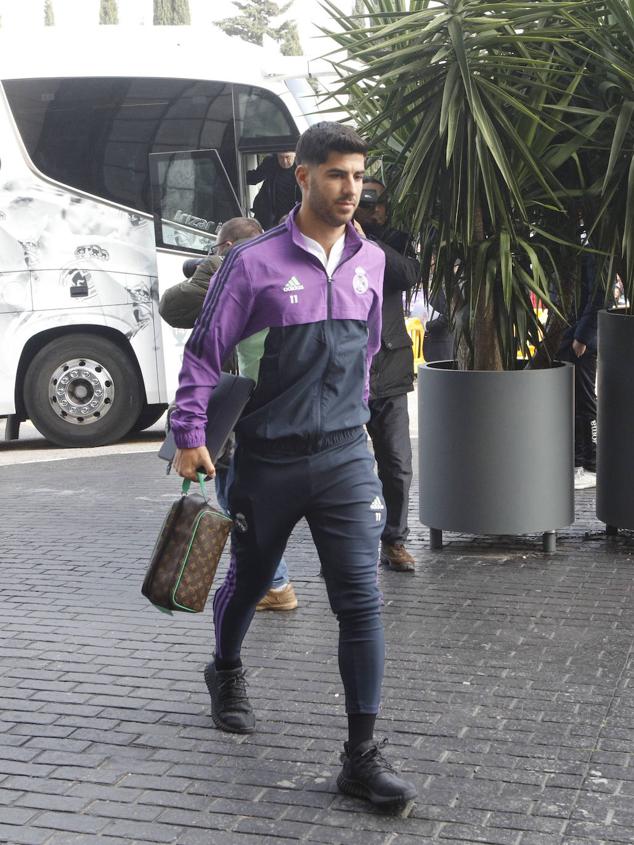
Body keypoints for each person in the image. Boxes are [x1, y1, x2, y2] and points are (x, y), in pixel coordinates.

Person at [169, 122, 417, 809]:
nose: (350, 189)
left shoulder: (371, 262)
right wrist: (191, 433)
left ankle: (360, 756)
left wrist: (356, 424)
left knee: (360, 603)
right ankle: (225, 669)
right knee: (249, 580)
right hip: (268, 461)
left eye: (359, 176)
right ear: (303, 176)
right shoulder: (253, 263)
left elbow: (365, 355)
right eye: (337, 174)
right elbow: (203, 351)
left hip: (342, 460)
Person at [159, 216, 298, 611]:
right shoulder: (281, 271)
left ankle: (273, 583)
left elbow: (174, 305)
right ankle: (270, 581)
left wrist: (214, 265)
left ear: (225, 247)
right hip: (273, 407)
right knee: (249, 499)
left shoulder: (230, 276)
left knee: (236, 498)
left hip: (237, 413)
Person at [354, 179, 420, 572]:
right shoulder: (331, 239)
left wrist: (368, 243)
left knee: (396, 464)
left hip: (390, 369)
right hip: (345, 374)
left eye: (382, 205)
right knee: (345, 468)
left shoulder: (395, 239)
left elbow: (408, 274)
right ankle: (349, 546)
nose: (379, 212)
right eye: (370, 205)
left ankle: (394, 540)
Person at [558, 254, 602, 490]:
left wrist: (582, 337)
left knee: (585, 402)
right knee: (573, 403)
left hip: (580, 340)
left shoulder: (591, 245)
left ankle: (592, 465)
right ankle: (578, 464)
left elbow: (598, 295)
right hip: (565, 335)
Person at [247, 152, 300, 230]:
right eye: (281, 158)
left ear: (295, 154)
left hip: (293, 214)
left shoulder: (301, 165)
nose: (284, 161)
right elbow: (255, 178)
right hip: (270, 214)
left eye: (287, 157)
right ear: (277, 155)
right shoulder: (270, 162)